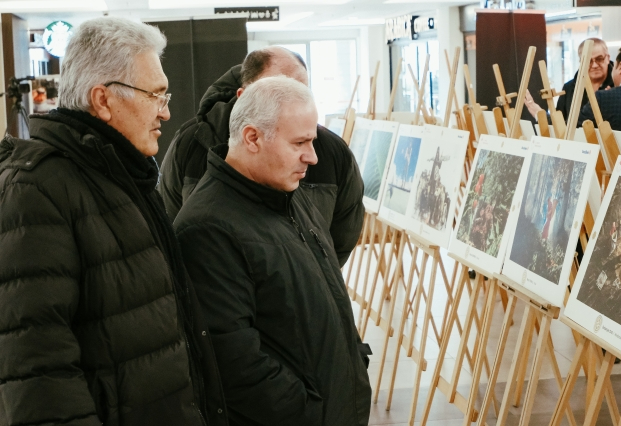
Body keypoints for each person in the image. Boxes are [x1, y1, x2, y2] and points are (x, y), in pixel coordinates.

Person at [0, 17, 227, 426]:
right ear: (103, 100)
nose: (167, 111)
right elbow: (37, 374)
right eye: (155, 95)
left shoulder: (124, 174)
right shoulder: (37, 189)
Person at [174, 76, 371, 426]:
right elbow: (234, 363)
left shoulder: (289, 194)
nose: (312, 157)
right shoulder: (207, 228)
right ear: (252, 138)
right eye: (300, 142)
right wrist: (310, 411)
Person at [159, 46, 364, 266]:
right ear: (243, 97)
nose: (294, 102)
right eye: (279, 93)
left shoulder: (331, 152)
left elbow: (341, 238)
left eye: (301, 91)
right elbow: (169, 227)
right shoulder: (192, 145)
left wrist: (307, 279)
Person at [524, 38, 613, 121]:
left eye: (599, 59)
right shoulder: (569, 88)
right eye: (588, 61)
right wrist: (540, 115)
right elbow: (560, 124)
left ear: (608, 58)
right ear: (581, 62)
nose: (594, 65)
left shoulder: (618, 87)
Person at [578, 42, 621, 150]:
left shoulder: (604, 98)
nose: (594, 65)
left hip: (618, 166)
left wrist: (538, 112)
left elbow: (573, 129)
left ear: (620, 67)